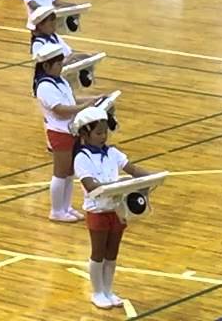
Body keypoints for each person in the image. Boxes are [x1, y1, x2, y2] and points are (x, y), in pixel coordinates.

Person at [72, 105, 158, 309]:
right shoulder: (82, 158)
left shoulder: (112, 152)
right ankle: (97, 292)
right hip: (98, 211)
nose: (103, 137)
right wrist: (116, 185)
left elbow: (133, 169)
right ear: (85, 133)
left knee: (112, 253)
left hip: (117, 209)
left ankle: (109, 290)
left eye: (105, 132)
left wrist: (154, 177)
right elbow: (91, 186)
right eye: (98, 133)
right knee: (98, 252)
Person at [33, 44, 104, 224]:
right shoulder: (44, 86)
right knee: (60, 172)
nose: (60, 67)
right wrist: (84, 107)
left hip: (71, 130)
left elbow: (71, 100)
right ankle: (56, 210)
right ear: (46, 66)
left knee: (70, 172)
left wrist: (93, 99)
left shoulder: (60, 81)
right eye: (57, 64)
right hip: (60, 132)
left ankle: (67, 207)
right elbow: (61, 109)